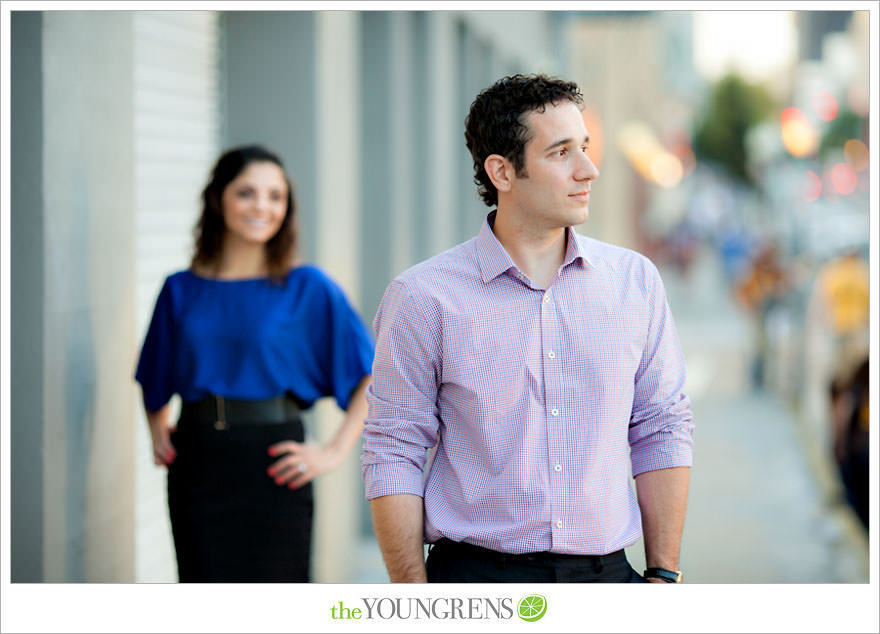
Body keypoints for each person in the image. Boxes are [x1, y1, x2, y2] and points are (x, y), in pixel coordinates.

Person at [361, 75, 694, 583]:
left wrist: (663, 576)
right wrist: (413, 597)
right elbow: (394, 448)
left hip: (608, 581)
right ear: (502, 172)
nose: (589, 169)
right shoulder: (423, 297)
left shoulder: (635, 283)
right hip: (476, 583)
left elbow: (662, 427)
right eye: (561, 153)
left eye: (584, 147)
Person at [135, 145, 374, 582]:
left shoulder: (307, 287)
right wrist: (157, 429)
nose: (262, 206)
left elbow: (372, 377)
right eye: (247, 193)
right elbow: (153, 369)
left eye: (275, 196)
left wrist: (333, 452)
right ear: (218, 199)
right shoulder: (179, 289)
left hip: (273, 464)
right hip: (198, 463)